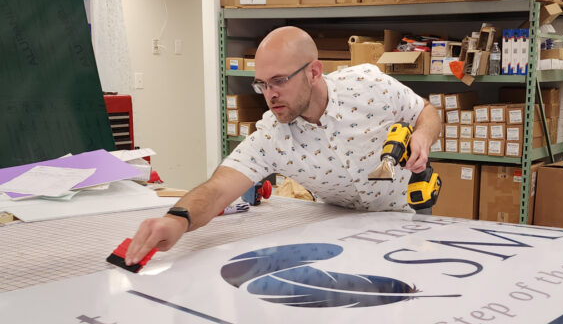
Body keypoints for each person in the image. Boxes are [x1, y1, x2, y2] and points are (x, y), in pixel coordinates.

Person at [125, 26, 441, 266]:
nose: (269, 94)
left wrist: (423, 137)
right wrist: (177, 219)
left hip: (408, 215)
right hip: (347, 230)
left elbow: (425, 111)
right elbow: (219, 189)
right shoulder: (272, 137)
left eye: (279, 81)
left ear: (314, 72)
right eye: (261, 84)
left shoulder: (369, 85)